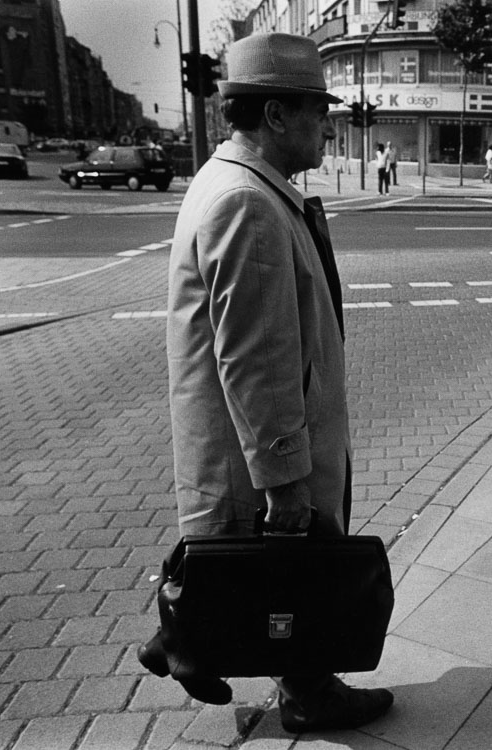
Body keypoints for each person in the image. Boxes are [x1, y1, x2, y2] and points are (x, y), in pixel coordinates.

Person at [141, 32, 393, 733]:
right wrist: (285, 478)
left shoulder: (239, 186)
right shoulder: (246, 203)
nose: (328, 123)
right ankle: (272, 673)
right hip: (258, 449)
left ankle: (186, 635)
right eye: (317, 109)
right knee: (287, 569)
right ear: (276, 116)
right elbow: (257, 357)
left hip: (242, 442)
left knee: (268, 571)